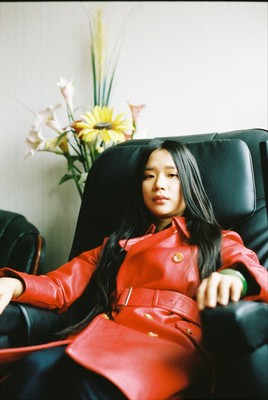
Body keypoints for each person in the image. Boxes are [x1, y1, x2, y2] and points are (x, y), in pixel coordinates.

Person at [0, 140, 267, 400]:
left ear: (189, 183)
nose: (158, 184)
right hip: (107, 334)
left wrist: (235, 277)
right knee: (34, 370)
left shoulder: (214, 240)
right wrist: (13, 285)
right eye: (149, 176)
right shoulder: (117, 246)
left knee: (89, 383)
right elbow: (60, 286)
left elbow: (253, 271)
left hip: (170, 346)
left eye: (171, 175)